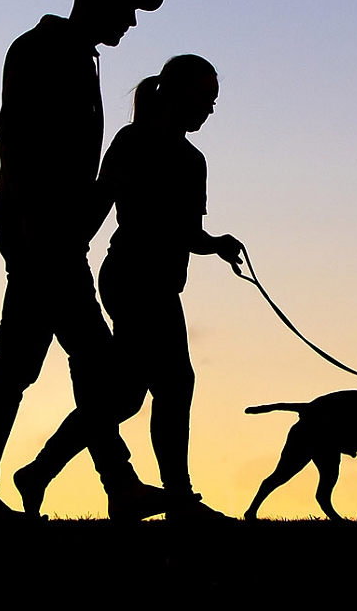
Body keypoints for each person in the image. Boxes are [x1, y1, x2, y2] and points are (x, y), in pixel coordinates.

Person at [0, 0, 168, 525]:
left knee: (29, 367)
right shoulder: (42, 51)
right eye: (127, 7)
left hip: (56, 236)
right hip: (43, 236)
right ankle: (103, 486)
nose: (131, 20)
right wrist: (23, 222)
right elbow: (17, 138)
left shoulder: (81, 57)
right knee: (104, 376)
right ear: (98, 0)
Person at [13, 54, 243, 520]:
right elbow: (103, 201)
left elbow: (186, 231)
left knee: (125, 397)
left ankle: (37, 473)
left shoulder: (193, 160)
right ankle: (179, 499)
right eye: (206, 98)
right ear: (178, 93)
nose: (211, 110)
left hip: (160, 283)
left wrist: (214, 243)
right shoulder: (133, 141)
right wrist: (67, 251)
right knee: (175, 385)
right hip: (133, 279)